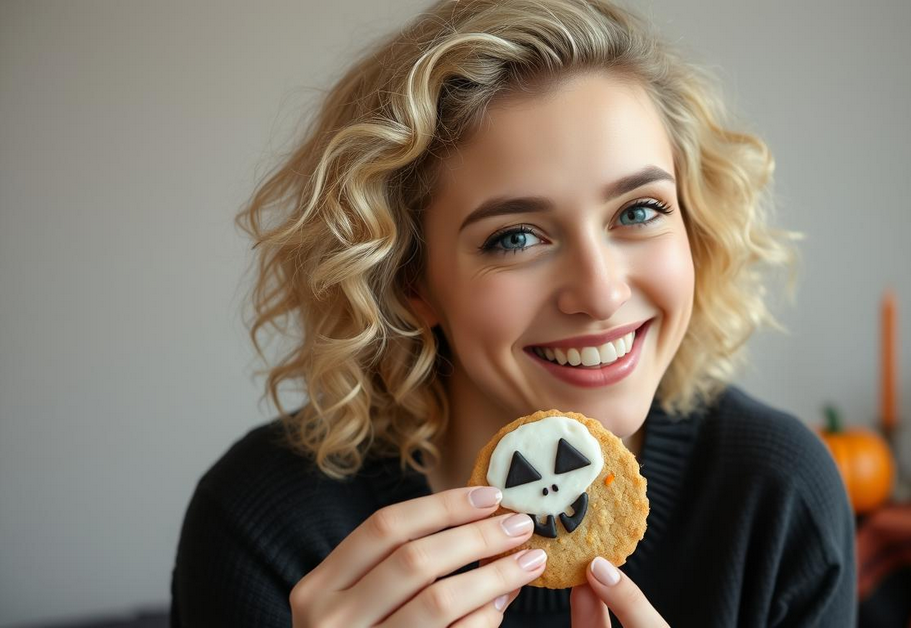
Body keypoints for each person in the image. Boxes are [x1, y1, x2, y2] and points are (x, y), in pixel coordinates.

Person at [171, 0, 855, 626]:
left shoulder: (775, 494)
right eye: (516, 237)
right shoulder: (264, 521)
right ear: (413, 280)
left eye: (639, 211)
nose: (600, 291)